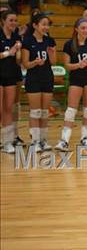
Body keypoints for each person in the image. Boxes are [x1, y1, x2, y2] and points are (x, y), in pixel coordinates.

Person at [55, 18, 87, 151]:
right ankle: (64, 140)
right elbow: (67, 65)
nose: (85, 30)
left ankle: (85, 138)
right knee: (71, 110)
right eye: (83, 28)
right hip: (76, 79)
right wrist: (78, 65)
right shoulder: (69, 44)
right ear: (76, 29)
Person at [21, 13, 56, 151]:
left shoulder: (50, 41)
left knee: (44, 112)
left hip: (47, 77)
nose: (46, 27)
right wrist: (35, 62)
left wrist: (52, 53)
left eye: (47, 24)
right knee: (35, 111)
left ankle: (43, 140)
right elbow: (25, 64)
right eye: (43, 24)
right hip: (33, 78)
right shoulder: (28, 41)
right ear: (35, 25)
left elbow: (53, 62)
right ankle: (35, 141)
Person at [0, 10, 21, 153]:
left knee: (9, 109)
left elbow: (18, 60)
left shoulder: (16, 37)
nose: (13, 23)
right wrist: (10, 52)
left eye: (15, 20)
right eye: (11, 20)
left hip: (11, 75)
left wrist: (19, 51)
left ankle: (7, 142)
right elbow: (8, 54)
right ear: (3, 21)